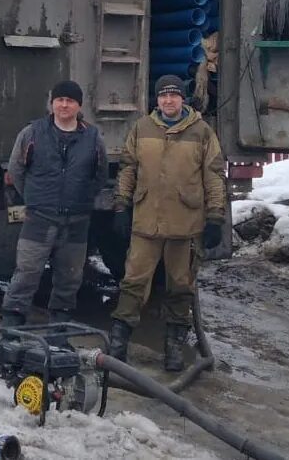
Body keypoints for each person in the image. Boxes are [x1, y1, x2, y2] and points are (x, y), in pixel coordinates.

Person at [109, 74, 226, 371]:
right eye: (163, 96)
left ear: (182, 99)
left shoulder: (201, 132)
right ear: (156, 99)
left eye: (174, 95)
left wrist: (215, 216)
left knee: (180, 287)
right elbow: (128, 169)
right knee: (133, 283)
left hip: (185, 225)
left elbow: (213, 176)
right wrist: (121, 205)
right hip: (146, 222)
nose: (169, 100)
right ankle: (118, 343)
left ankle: (173, 347)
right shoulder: (142, 128)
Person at [0, 79, 108, 328]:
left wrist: (82, 198)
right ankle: (12, 325)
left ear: (79, 106)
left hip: (76, 222)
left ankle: (59, 328)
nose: (64, 105)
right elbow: (16, 169)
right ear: (52, 104)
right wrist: (34, 198)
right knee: (26, 273)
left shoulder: (92, 137)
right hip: (39, 219)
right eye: (59, 100)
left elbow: (100, 175)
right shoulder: (33, 133)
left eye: (70, 101)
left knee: (69, 278)